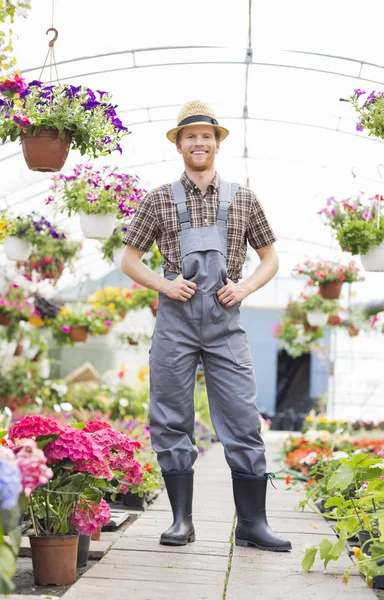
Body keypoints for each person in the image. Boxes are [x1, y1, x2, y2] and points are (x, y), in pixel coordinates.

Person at [121, 101, 291, 552]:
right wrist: (164, 284)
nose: (199, 143)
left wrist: (245, 288)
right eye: (190, 136)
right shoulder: (158, 198)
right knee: (171, 417)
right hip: (175, 323)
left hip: (225, 323)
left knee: (242, 418)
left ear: (217, 143)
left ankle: (253, 525)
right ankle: (181, 521)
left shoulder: (244, 198)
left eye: (206, 136)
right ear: (179, 144)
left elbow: (270, 258)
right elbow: (129, 259)